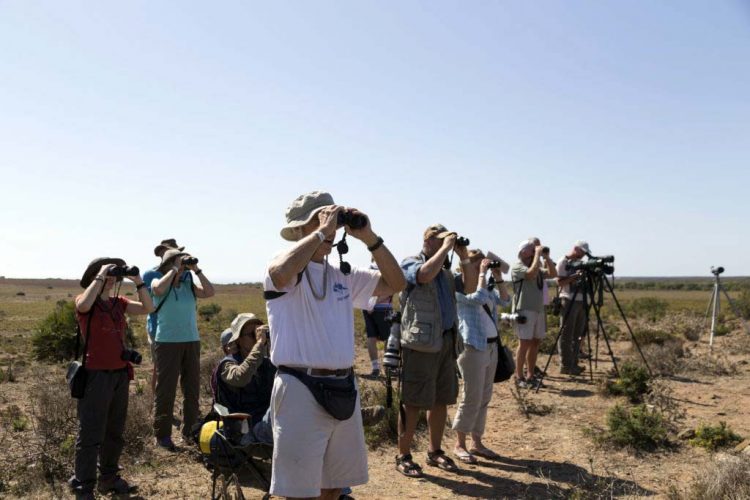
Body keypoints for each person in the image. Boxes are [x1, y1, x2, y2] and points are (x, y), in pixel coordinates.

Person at [264, 190, 405, 500]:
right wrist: (322, 231)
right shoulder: (281, 264)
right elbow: (281, 274)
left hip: (343, 386)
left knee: (333, 486)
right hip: (300, 385)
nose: (331, 228)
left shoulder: (343, 275)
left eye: (333, 220)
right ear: (301, 228)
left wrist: (369, 238)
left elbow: (396, 284)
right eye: (320, 218)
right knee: (300, 492)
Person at [68, 258, 154, 499]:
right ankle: (83, 485)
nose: (112, 276)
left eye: (115, 273)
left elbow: (148, 308)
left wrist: (138, 281)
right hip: (96, 375)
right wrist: (101, 275)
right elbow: (83, 305)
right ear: (96, 276)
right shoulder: (86, 302)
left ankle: (109, 478)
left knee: (114, 431)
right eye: (108, 272)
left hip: (120, 374)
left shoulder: (119, 303)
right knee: (90, 434)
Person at [396, 224, 470, 478]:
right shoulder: (411, 262)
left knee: (440, 399)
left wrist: (464, 256)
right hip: (420, 344)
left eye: (445, 241)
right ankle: (403, 454)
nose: (443, 245)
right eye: (438, 241)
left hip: (446, 342)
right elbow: (423, 276)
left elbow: (470, 286)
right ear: (427, 242)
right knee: (414, 401)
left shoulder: (447, 273)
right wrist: (446, 248)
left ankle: (434, 451)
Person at [150, 248, 215, 450]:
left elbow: (210, 292)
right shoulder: (156, 281)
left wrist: (197, 270)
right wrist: (174, 270)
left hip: (191, 341)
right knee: (166, 390)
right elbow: (159, 290)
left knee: (192, 389)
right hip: (167, 342)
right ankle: (162, 436)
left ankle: (189, 432)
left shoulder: (189, 284)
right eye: (177, 263)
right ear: (169, 266)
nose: (182, 267)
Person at [452, 250, 511, 464]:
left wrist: (498, 277)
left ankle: (477, 442)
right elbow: (476, 299)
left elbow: (505, 301)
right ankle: (460, 444)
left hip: (491, 346)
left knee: (484, 397)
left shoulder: (485, 283)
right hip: (472, 347)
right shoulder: (458, 284)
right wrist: (481, 275)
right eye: (476, 264)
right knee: (471, 396)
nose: (480, 268)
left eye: (480, 264)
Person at [215, 314, 275, 444]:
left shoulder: (265, 363)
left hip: (265, 423)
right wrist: (259, 344)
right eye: (252, 334)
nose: (257, 337)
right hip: (244, 431)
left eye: (258, 333)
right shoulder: (228, 364)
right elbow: (240, 378)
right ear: (239, 340)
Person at [511, 239, 557, 388]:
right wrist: (538, 255)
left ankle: (531, 375)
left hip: (538, 309)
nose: (534, 251)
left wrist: (547, 257)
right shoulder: (518, 266)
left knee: (535, 342)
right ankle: (519, 377)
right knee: (524, 343)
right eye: (532, 250)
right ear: (523, 252)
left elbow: (553, 273)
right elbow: (530, 275)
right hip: (524, 309)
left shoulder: (535, 266)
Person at [143, 238, 185, 392]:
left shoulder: (184, 274)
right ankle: (157, 403)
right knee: (160, 367)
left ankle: (171, 400)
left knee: (178, 367)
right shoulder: (151, 274)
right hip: (158, 327)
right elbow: (148, 303)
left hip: (181, 328)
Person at [556, 241, 589, 375]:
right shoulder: (563, 262)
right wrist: (575, 276)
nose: (583, 255)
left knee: (578, 335)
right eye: (582, 251)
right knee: (566, 334)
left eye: (585, 253)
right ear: (575, 249)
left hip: (582, 300)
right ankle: (565, 365)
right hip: (568, 299)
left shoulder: (582, 263)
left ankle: (574, 363)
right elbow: (560, 282)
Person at [361, 259, 393, 379]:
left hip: (367, 306)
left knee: (371, 337)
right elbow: (391, 288)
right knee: (389, 338)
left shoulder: (367, 269)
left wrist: (369, 304)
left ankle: (375, 368)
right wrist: (375, 303)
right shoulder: (386, 269)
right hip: (382, 308)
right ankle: (388, 367)